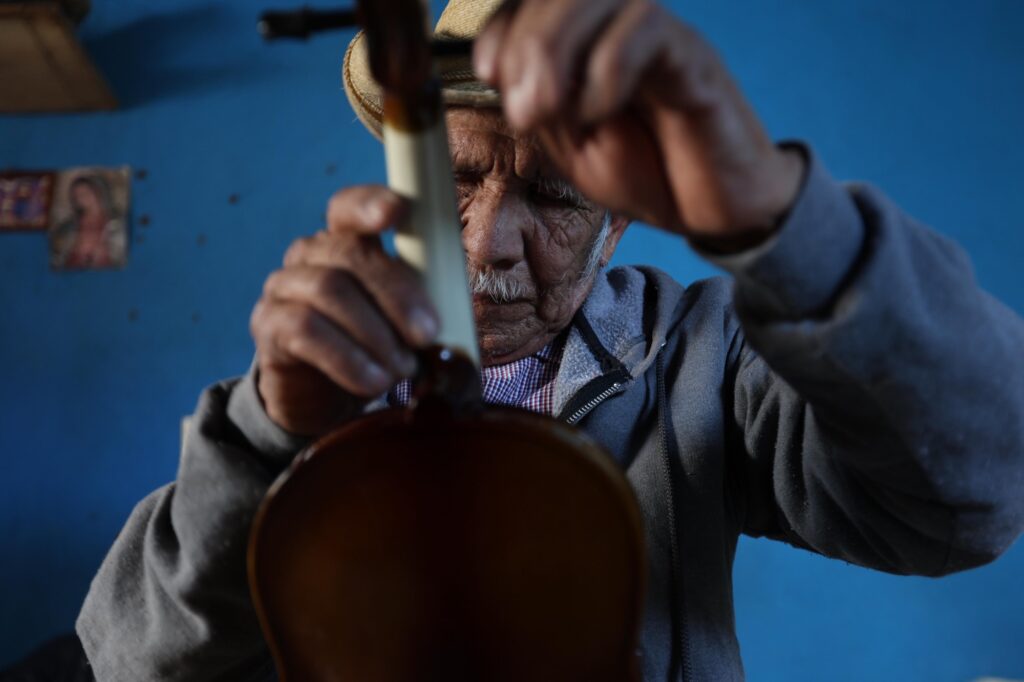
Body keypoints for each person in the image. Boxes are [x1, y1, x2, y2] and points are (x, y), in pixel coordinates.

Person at [76, 0, 1024, 680]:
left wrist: (788, 225)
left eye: (555, 197)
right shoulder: (315, 372)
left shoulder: (706, 359)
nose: (490, 239)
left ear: (615, 229)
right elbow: (128, 662)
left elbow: (970, 499)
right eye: (457, 179)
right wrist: (265, 439)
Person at [49, 175, 127, 270]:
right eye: (76, 196)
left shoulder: (117, 223)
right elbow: (56, 254)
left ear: (98, 192)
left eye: (85, 193)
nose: (81, 199)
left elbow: (124, 253)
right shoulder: (68, 226)